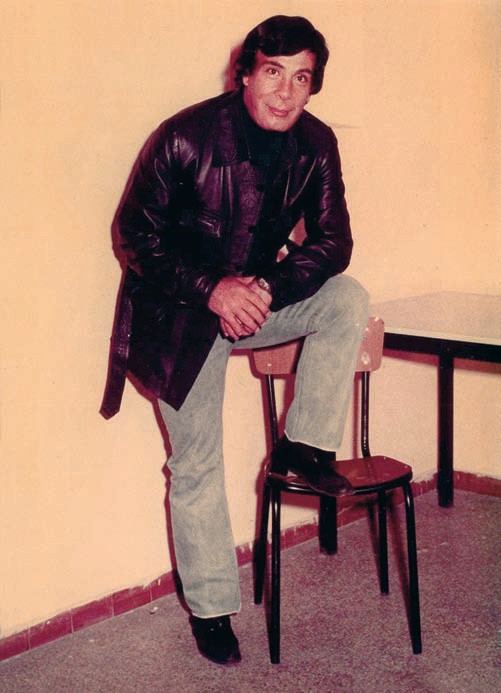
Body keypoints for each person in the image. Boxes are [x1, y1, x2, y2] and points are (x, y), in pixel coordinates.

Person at [101, 15, 369, 665]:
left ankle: (303, 446)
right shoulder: (184, 136)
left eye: (301, 78)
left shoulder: (316, 142)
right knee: (196, 464)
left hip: (255, 299)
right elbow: (134, 235)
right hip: (180, 315)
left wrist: (266, 289)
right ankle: (213, 608)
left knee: (346, 297)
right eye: (273, 72)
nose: (285, 91)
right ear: (244, 72)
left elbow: (333, 243)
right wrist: (213, 289)